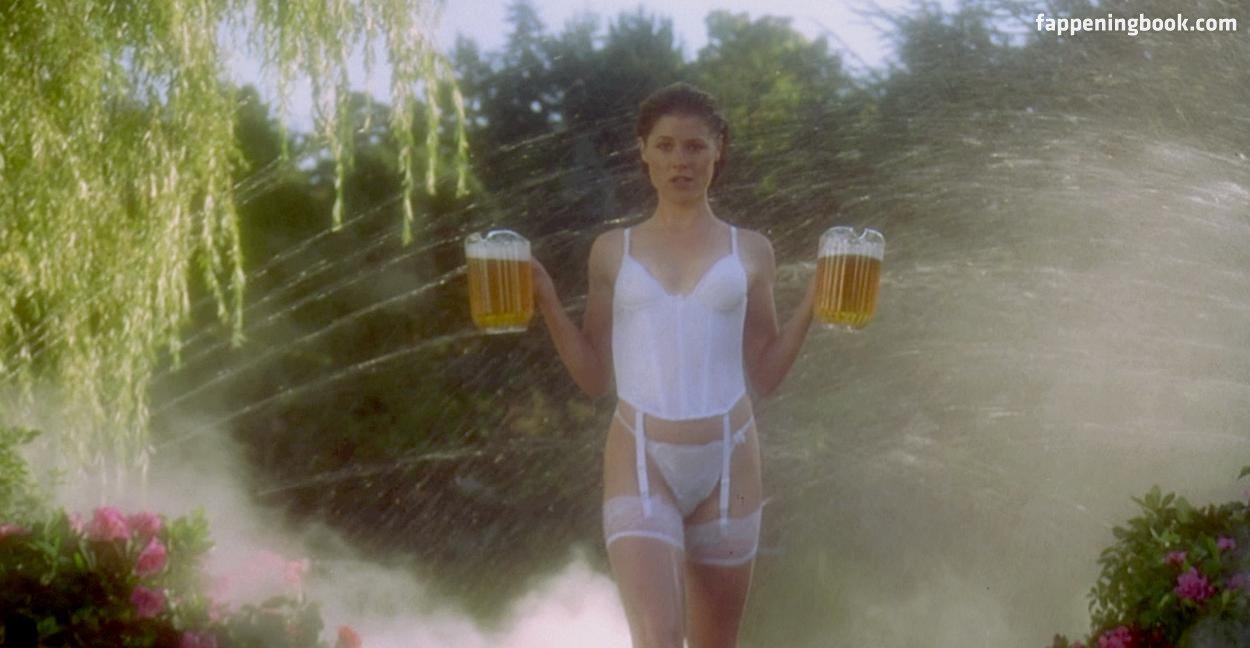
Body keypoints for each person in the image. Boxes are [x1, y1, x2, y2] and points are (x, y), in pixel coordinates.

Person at [530, 82, 817, 648]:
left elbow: (765, 375)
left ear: (718, 150)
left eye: (694, 146)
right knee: (659, 639)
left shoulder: (751, 250)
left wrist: (811, 304)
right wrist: (545, 298)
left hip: (731, 457)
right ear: (643, 152)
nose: (679, 161)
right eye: (664, 146)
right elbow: (594, 377)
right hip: (640, 454)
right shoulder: (612, 251)